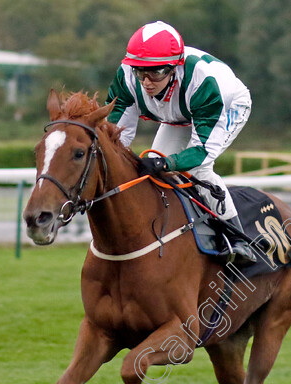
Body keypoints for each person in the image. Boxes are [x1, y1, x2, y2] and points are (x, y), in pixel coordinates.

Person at [105, 21, 256, 263]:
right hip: (180, 111)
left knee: (196, 168)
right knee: (153, 168)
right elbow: (114, 136)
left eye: (155, 72)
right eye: (140, 72)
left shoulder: (204, 83)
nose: (146, 82)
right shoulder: (126, 76)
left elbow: (201, 151)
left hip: (226, 105)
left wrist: (167, 163)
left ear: (175, 67)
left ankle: (238, 239)